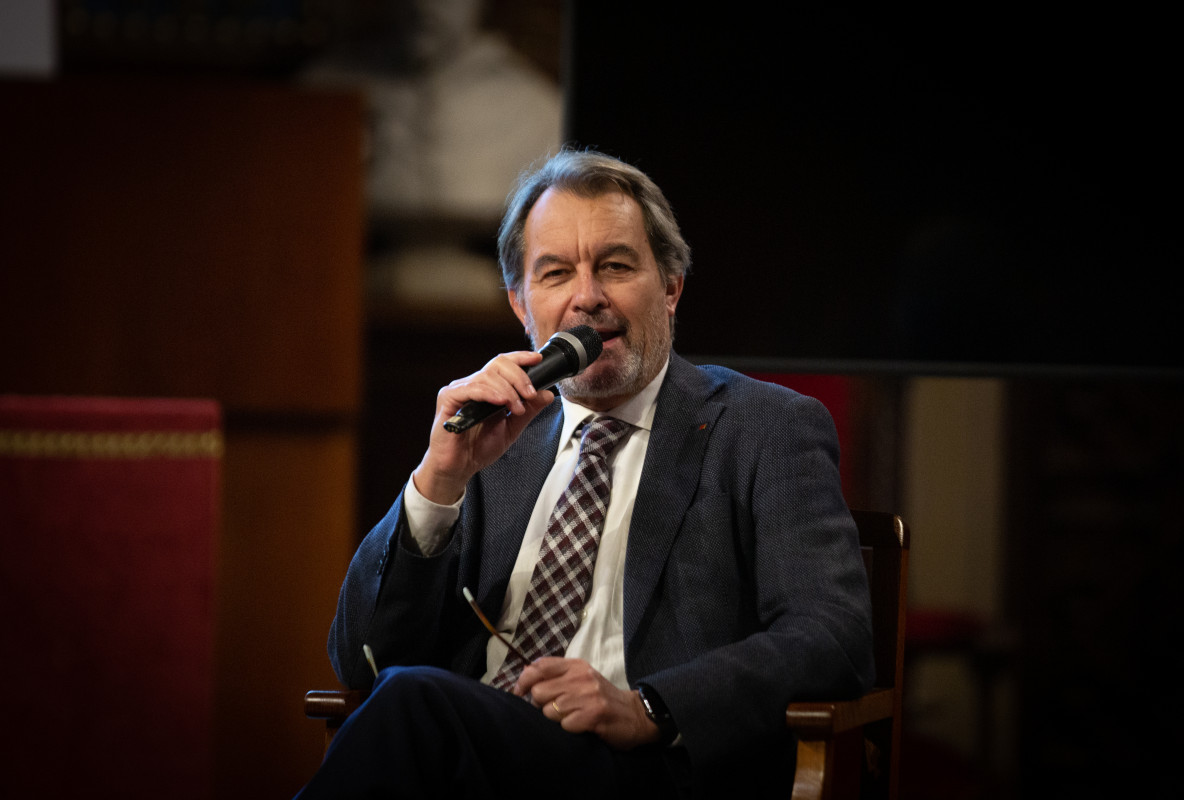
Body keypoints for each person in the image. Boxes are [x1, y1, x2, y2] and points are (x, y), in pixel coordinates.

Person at [294, 148, 874, 799]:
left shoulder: (764, 427)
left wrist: (648, 707)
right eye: (556, 273)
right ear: (521, 305)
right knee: (408, 700)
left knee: (413, 704)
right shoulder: (492, 440)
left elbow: (833, 636)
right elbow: (362, 661)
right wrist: (438, 482)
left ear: (671, 288)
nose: (587, 297)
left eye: (616, 266)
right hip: (477, 760)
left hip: (648, 772)